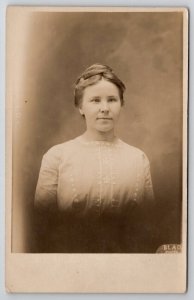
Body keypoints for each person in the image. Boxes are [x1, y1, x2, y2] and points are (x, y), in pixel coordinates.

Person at [34, 63, 155, 253]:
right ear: (80, 107)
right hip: (70, 261)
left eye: (112, 100)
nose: (105, 108)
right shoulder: (57, 156)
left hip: (128, 263)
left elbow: (150, 224)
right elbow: (41, 225)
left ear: (121, 104)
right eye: (95, 100)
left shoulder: (138, 158)